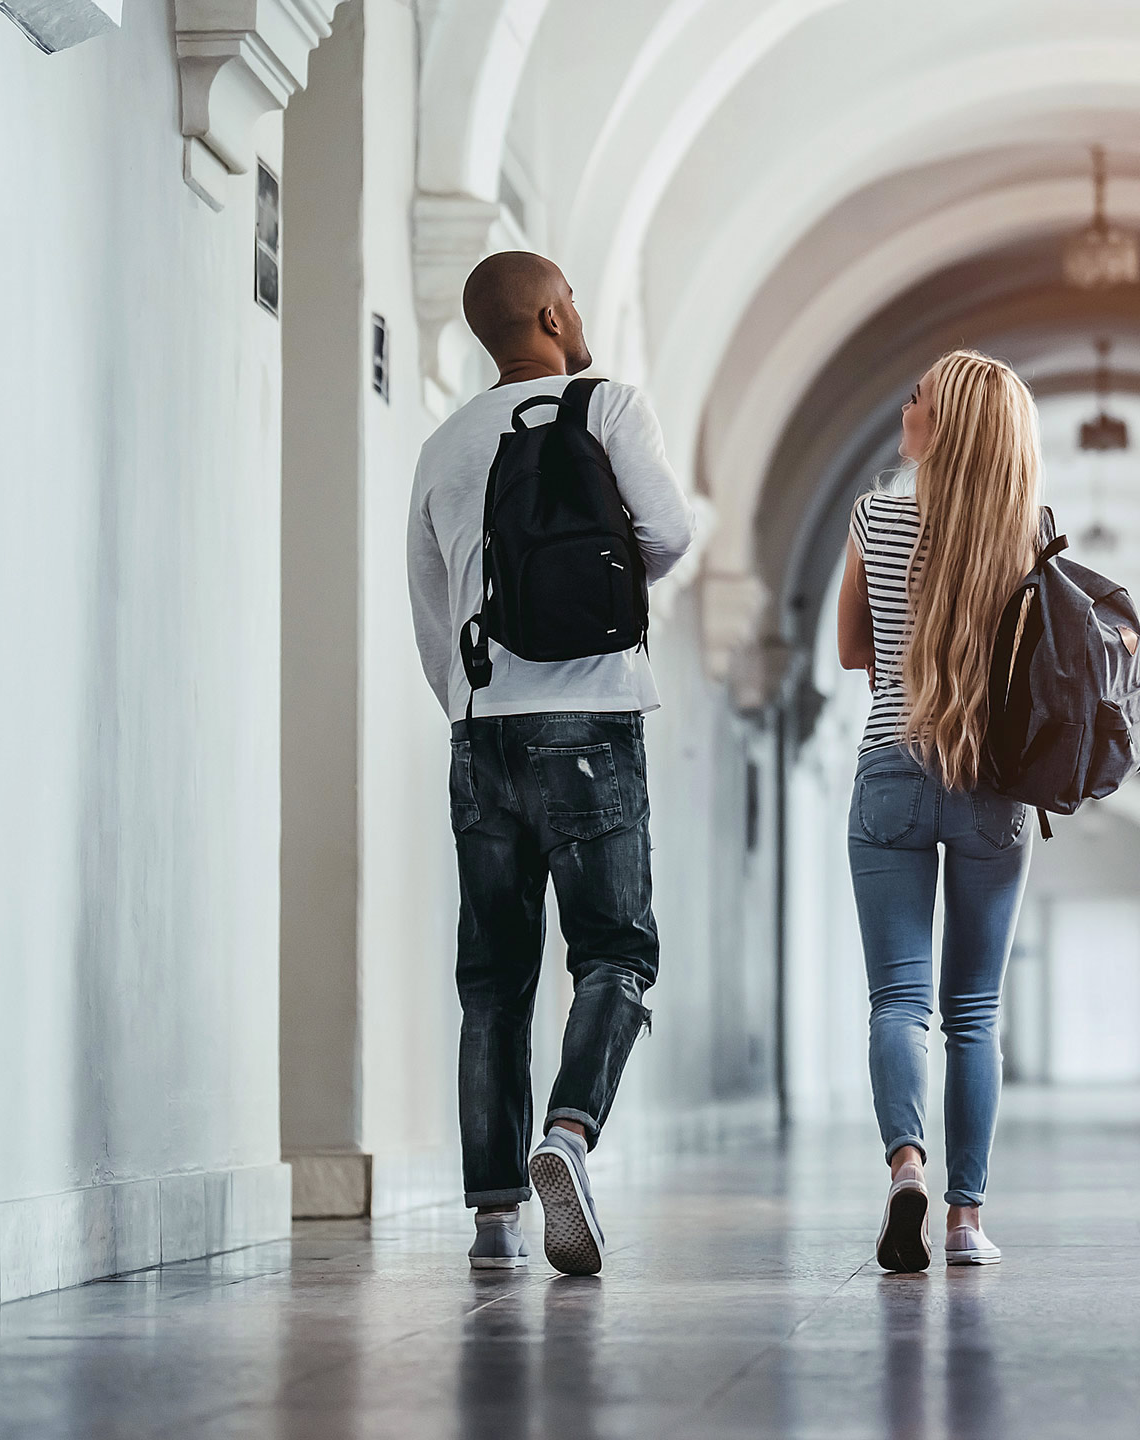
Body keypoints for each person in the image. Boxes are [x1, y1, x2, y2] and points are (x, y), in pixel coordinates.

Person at [406, 251, 695, 1275]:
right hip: (591, 717)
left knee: (492, 978)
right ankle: (566, 1135)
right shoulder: (604, 407)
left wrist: (478, 701)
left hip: (480, 728)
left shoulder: (442, 442)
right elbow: (668, 533)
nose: (576, 310)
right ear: (546, 310)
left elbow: (432, 615)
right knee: (614, 952)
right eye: (568, 295)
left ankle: (492, 1216)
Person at [835, 350, 1042, 1273]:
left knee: (899, 1002)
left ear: (943, 426)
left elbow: (851, 652)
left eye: (915, 396)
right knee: (974, 1014)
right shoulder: (1028, 532)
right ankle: (965, 1221)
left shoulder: (873, 514)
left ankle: (906, 1169)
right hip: (992, 786)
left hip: (890, 770)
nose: (903, 405)